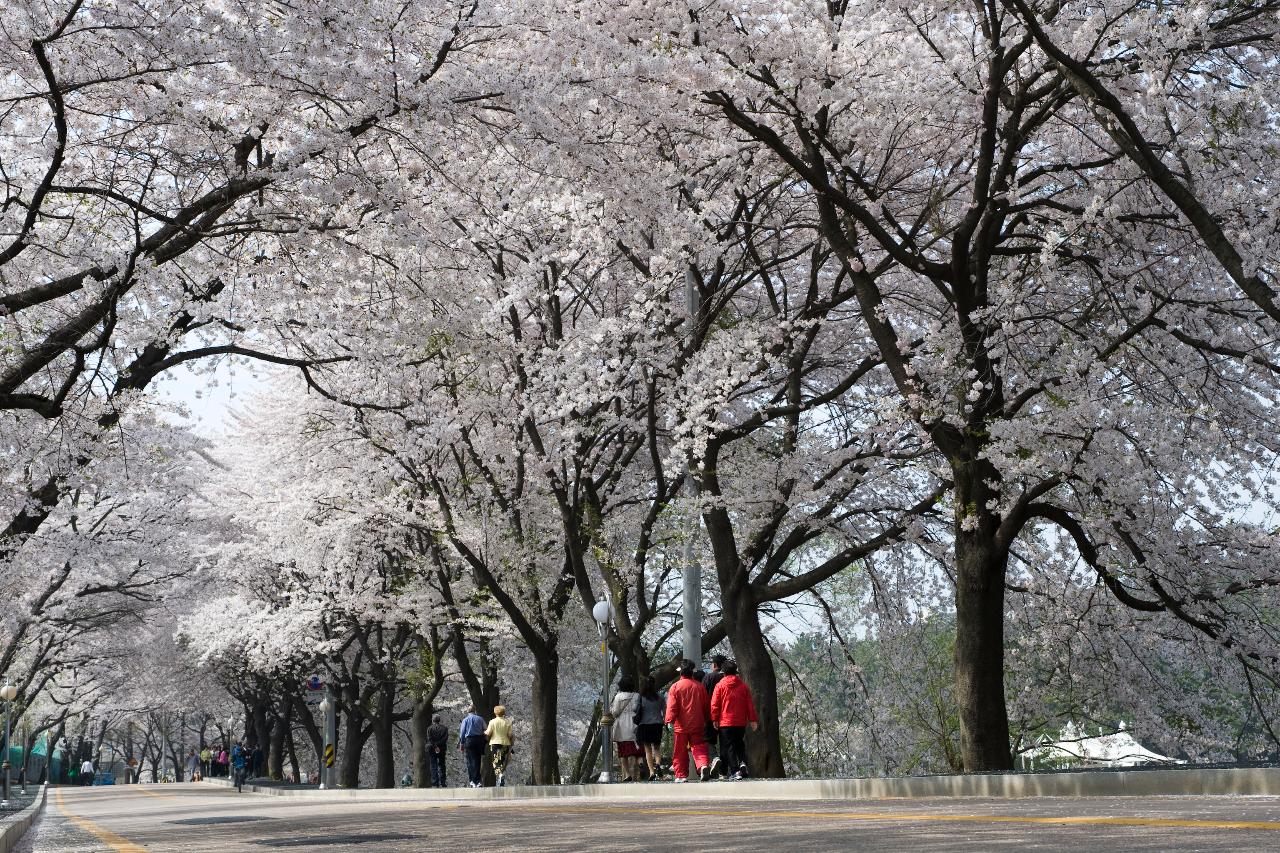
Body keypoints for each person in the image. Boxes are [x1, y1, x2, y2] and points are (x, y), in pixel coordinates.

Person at [710, 660, 759, 780]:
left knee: (729, 747)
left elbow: (715, 704)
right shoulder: (743, 686)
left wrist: (714, 718)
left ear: (724, 672)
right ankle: (743, 763)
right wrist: (752, 720)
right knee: (739, 744)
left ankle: (735, 771)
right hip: (740, 722)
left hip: (725, 722)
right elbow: (749, 705)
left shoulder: (720, 686)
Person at [665, 659, 712, 782]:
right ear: (692, 672)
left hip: (681, 725)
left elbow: (672, 706)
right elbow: (706, 705)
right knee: (699, 746)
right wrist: (707, 719)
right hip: (697, 723)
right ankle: (703, 765)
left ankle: (681, 775)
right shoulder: (699, 687)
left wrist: (669, 720)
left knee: (680, 751)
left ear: (681, 673)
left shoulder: (675, 687)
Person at [609, 675, 643, 782]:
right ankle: (641, 764)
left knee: (623, 752)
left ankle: (627, 774)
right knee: (638, 750)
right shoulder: (637, 696)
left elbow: (615, 713)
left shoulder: (618, 697)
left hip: (622, 727)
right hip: (635, 725)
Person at [634, 676, 667, 781]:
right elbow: (665, 711)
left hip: (644, 725)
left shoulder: (641, 697)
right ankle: (657, 764)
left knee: (648, 750)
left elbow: (635, 710)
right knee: (657, 748)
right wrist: (664, 721)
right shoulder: (660, 696)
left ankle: (652, 772)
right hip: (657, 724)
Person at [703, 654, 728, 777]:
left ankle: (714, 758)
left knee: (708, 740)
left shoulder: (708, 677)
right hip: (726, 715)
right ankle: (724, 772)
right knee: (725, 743)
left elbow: (703, 696)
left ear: (714, 665)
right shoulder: (727, 677)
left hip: (710, 715)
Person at [484, 705, 514, 787]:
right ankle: (501, 776)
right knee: (503, 761)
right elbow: (510, 734)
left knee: (496, 761)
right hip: (505, 743)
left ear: (495, 712)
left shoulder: (492, 722)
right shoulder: (507, 722)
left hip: (495, 743)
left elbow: (488, 733)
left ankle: (500, 775)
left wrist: (484, 732)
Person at [458, 705, 487, 788]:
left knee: (470, 761)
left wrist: (462, 743)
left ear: (468, 711)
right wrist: (484, 738)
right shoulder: (480, 719)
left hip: (469, 741)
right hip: (479, 740)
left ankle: (472, 780)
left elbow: (462, 732)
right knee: (477, 760)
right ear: (475, 711)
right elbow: (486, 729)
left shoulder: (465, 720)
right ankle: (478, 781)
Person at [426, 714, 449, 788]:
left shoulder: (429, 728)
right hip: (442, 748)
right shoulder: (444, 728)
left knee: (433, 765)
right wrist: (438, 745)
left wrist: (435, 746)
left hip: (432, 749)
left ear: (433, 720)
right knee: (442, 765)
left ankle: (435, 782)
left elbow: (429, 739)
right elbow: (445, 739)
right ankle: (443, 782)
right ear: (439, 720)